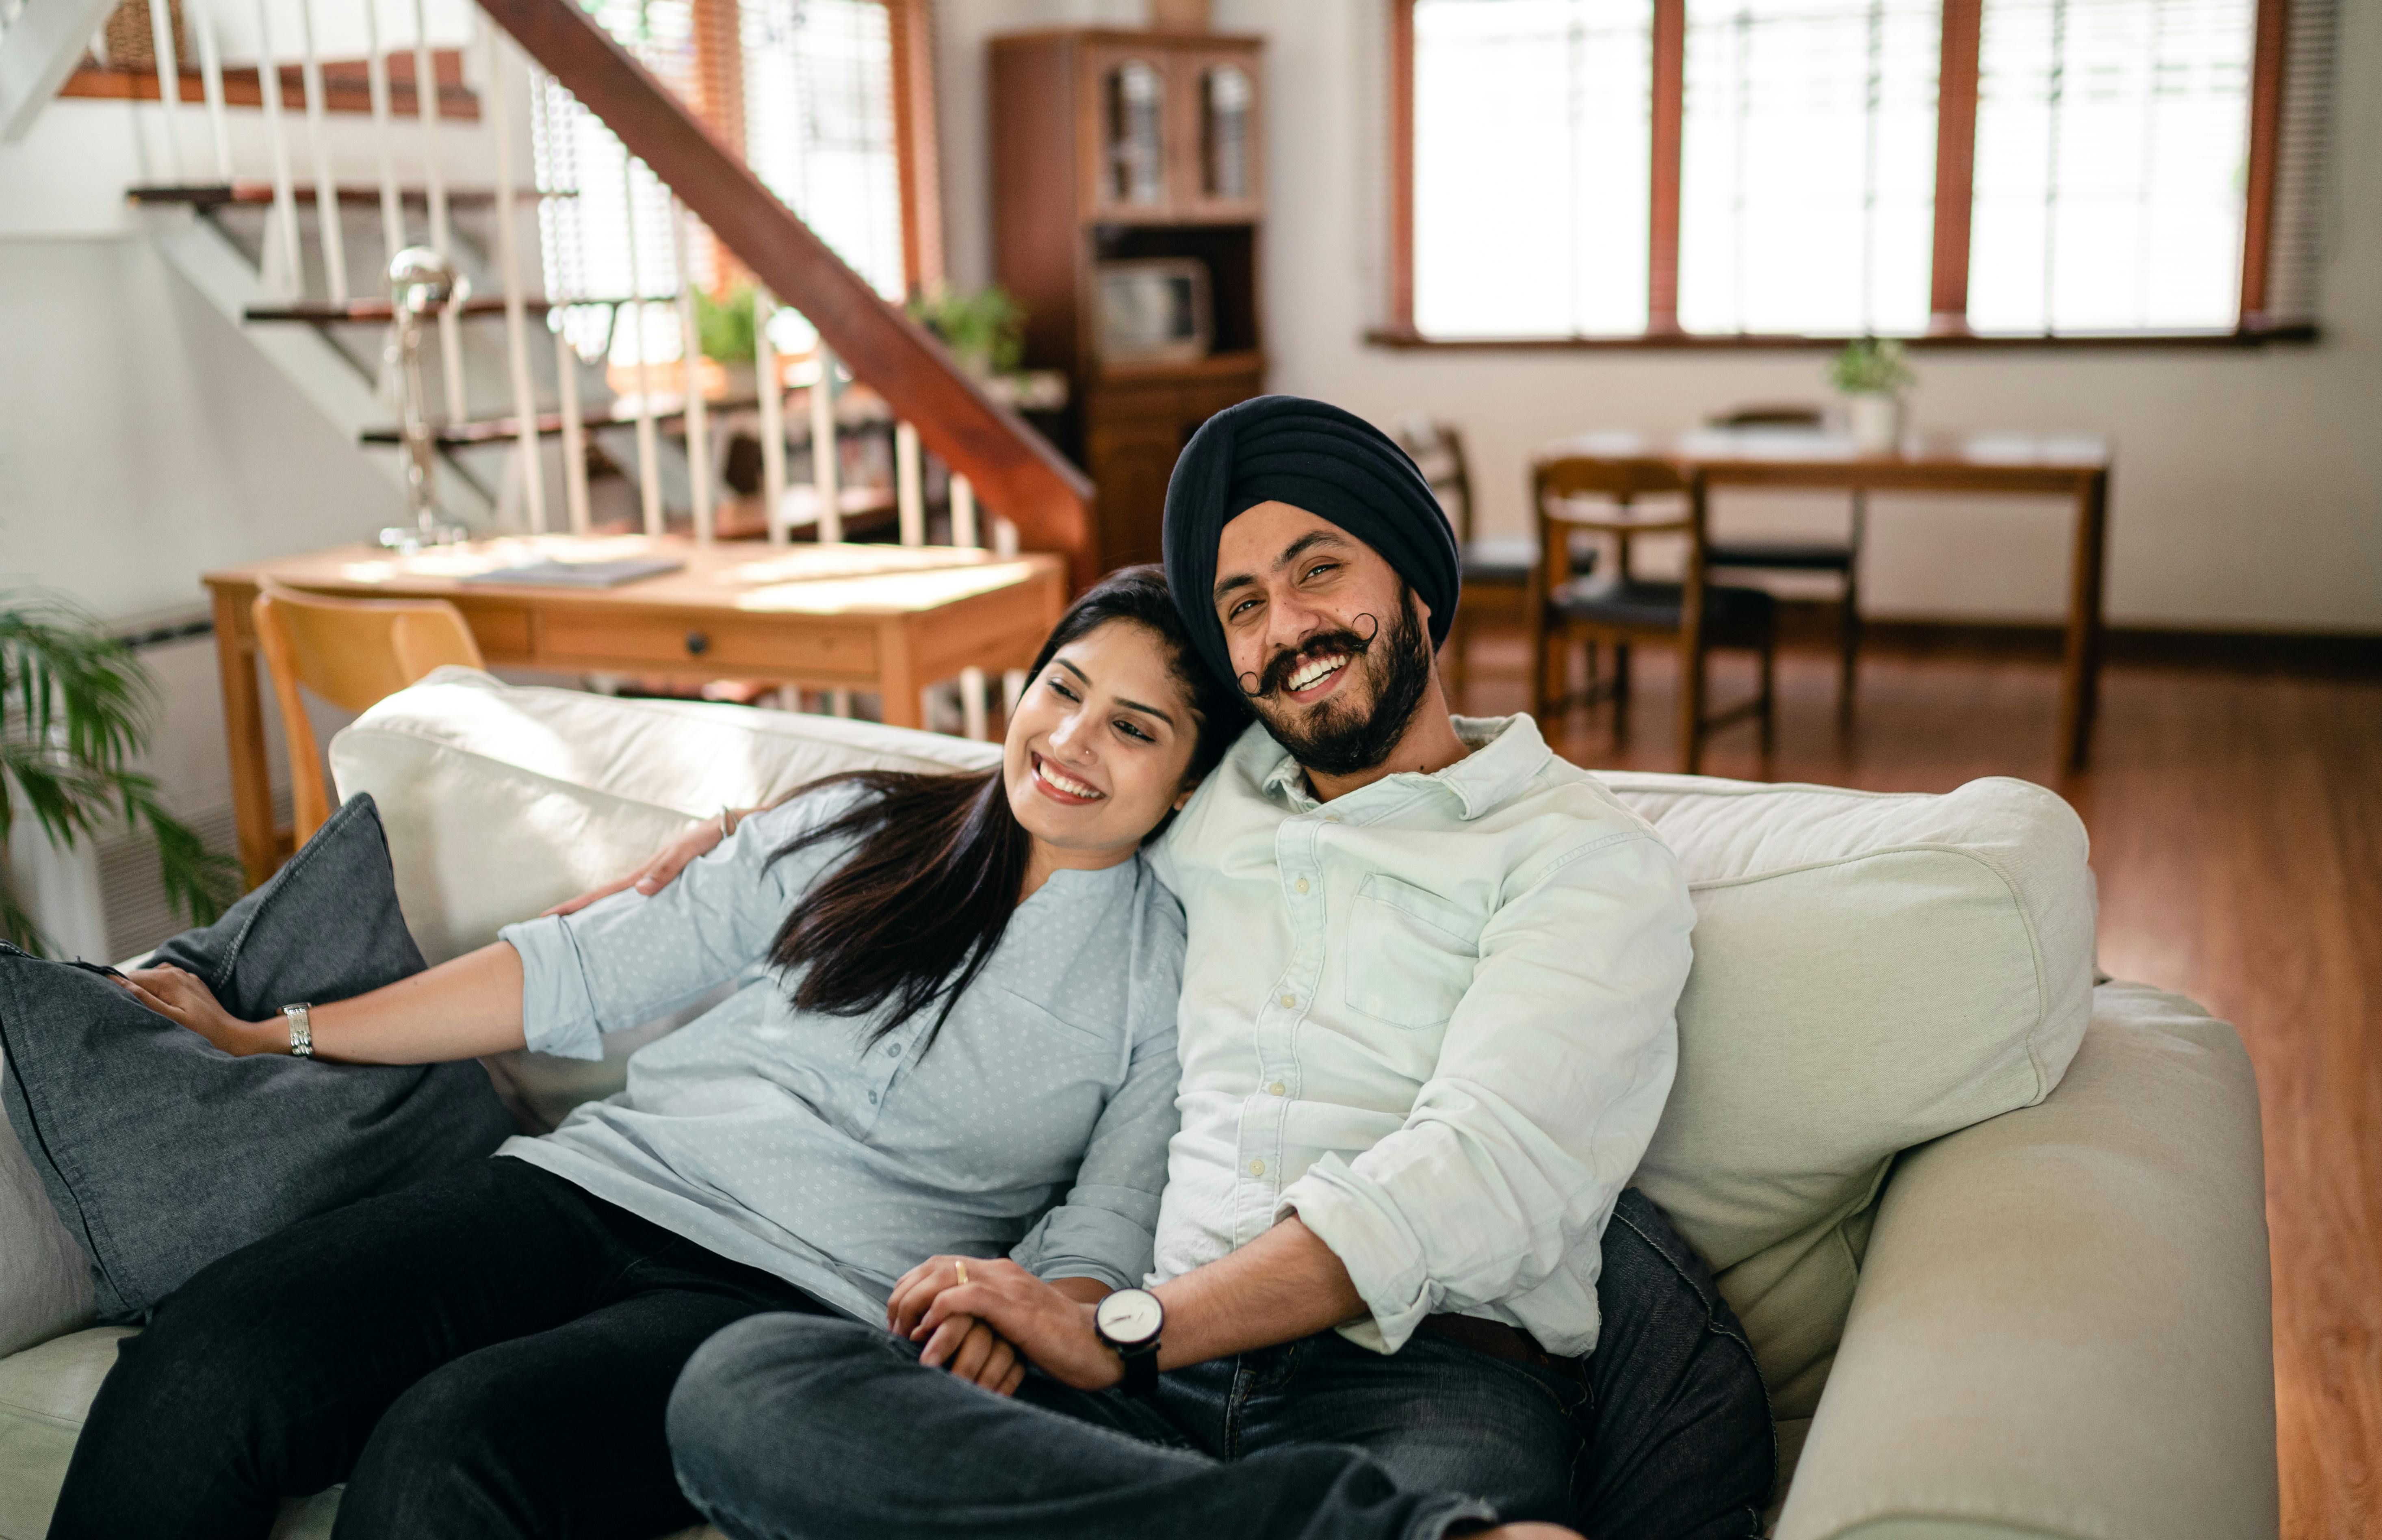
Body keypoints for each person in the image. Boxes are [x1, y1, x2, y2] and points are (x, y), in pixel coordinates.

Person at [658, 396, 1777, 1540]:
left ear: (1417, 588)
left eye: (1318, 572)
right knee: (747, 1389)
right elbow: (1048, 771)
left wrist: (1120, 1328)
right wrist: (769, 840)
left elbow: (1481, 1170)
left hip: (1421, 1378)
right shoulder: (1215, 801)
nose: (1287, 628)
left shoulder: (1581, 859)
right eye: (1243, 607)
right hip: (1148, 1393)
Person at [47, 567, 1253, 1540]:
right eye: (1063, 688)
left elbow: (1107, 1230)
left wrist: (1031, 1312)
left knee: (452, 1448)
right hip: (588, 1187)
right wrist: (275, 1033)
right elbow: (575, 971)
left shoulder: (1170, 979)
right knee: (214, 1356)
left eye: (1133, 728)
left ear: (1191, 782)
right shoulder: (857, 823)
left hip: (797, 1301)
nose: (1072, 739)